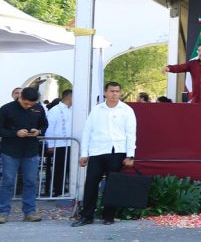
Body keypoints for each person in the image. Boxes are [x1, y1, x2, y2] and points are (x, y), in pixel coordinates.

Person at [73, 81, 137, 227]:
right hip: (97, 151)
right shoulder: (97, 110)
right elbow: (87, 132)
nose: (114, 94)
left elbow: (131, 133)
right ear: (105, 92)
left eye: (117, 91)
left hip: (117, 151)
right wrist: (84, 153)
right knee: (91, 183)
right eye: (111, 91)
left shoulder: (126, 110)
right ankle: (87, 216)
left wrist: (130, 155)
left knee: (112, 184)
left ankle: (109, 215)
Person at [0, 87, 48, 223]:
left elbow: (44, 124)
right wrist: (15, 133)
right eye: (26, 103)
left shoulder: (39, 108)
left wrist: (38, 131)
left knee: (31, 182)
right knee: (8, 182)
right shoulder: (6, 109)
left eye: (31, 104)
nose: (28, 106)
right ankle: (3, 212)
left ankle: (29, 212)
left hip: (31, 151)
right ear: (20, 97)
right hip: (10, 151)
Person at [45, 89, 73, 196]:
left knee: (68, 168)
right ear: (70, 97)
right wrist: (50, 144)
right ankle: (58, 190)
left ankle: (66, 188)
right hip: (59, 144)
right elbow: (49, 127)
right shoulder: (55, 110)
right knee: (59, 168)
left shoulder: (72, 110)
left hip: (71, 143)